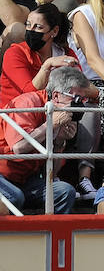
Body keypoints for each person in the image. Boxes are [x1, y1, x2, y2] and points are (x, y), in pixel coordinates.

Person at [0, 64, 84, 212]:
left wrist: (59, 142)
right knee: (14, 197)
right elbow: (19, 147)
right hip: (3, 175)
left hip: (26, 179)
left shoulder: (59, 116)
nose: (80, 105)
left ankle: (52, 234)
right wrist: (50, 125)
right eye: (76, 99)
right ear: (56, 96)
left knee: (65, 192)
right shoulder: (27, 103)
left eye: (82, 100)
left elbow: (52, 173)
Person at [1, 4, 76, 105]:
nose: (31, 30)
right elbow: (29, 96)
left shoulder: (66, 53)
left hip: (53, 111)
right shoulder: (14, 54)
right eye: (28, 25)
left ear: (54, 31)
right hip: (14, 115)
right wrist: (47, 66)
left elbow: (81, 86)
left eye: (38, 27)